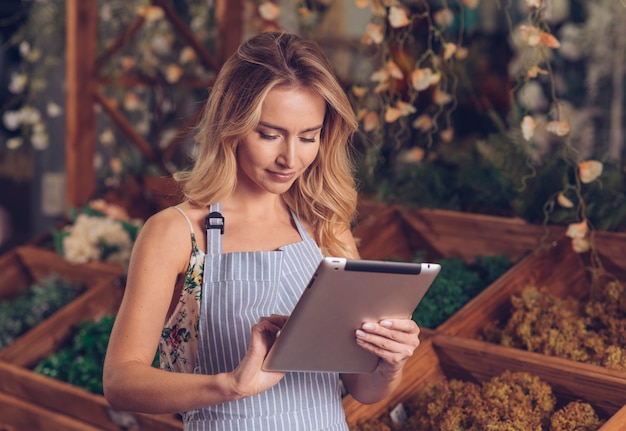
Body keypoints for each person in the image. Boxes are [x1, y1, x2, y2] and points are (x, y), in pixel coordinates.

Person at [103, 31, 421, 430]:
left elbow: (362, 387)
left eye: (309, 137)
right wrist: (231, 385)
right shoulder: (177, 233)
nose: (290, 157)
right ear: (231, 126)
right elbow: (120, 382)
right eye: (269, 135)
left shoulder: (325, 224)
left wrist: (390, 361)